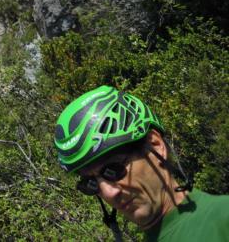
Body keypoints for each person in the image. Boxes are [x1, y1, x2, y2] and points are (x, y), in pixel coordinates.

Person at [54, 85, 229, 241]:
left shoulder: (223, 218)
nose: (108, 193)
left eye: (114, 170)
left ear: (156, 145)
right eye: (90, 184)